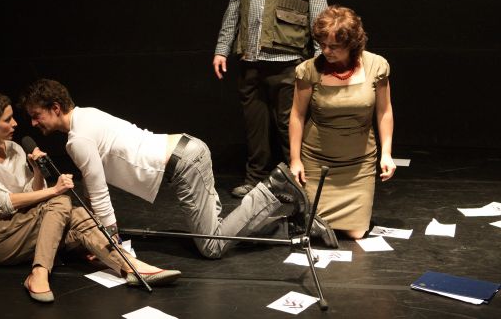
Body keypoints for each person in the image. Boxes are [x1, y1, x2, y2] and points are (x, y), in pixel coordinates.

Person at [18, 79, 338, 260]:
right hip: (189, 150)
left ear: (55, 108)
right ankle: (290, 224)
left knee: (211, 246)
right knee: (221, 230)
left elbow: (99, 191)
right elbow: (95, 186)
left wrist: (110, 239)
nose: (33, 123)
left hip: (184, 164)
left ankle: (273, 189)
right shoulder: (87, 115)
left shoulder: (78, 139)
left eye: (36, 115)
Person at [0, 91, 180, 303]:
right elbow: (4, 203)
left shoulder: (14, 148)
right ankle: (39, 273)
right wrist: (54, 190)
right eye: (7, 119)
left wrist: (37, 172)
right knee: (60, 200)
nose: (15, 123)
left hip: (23, 226)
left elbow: (30, 194)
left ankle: (131, 267)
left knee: (78, 213)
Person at [212, 0, 329, 199]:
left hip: (289, 61)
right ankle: (255, 180)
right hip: (251, 60)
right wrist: (222, 49)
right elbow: (234, 9)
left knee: (289, 126)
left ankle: (296, 184)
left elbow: (319, 12)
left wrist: (321, 57)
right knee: (255, 126)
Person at [288, 5, 396, 239]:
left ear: (352, 44)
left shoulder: (376, 66)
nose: (326, 51)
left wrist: (386, 153)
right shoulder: (309, 70)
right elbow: (297, 115)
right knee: (312, 229)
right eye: (322, 44)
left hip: (358, 163)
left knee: (356, 233)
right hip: (318, 161)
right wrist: (295, 160)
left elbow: (384, 111)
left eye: (334, 46)